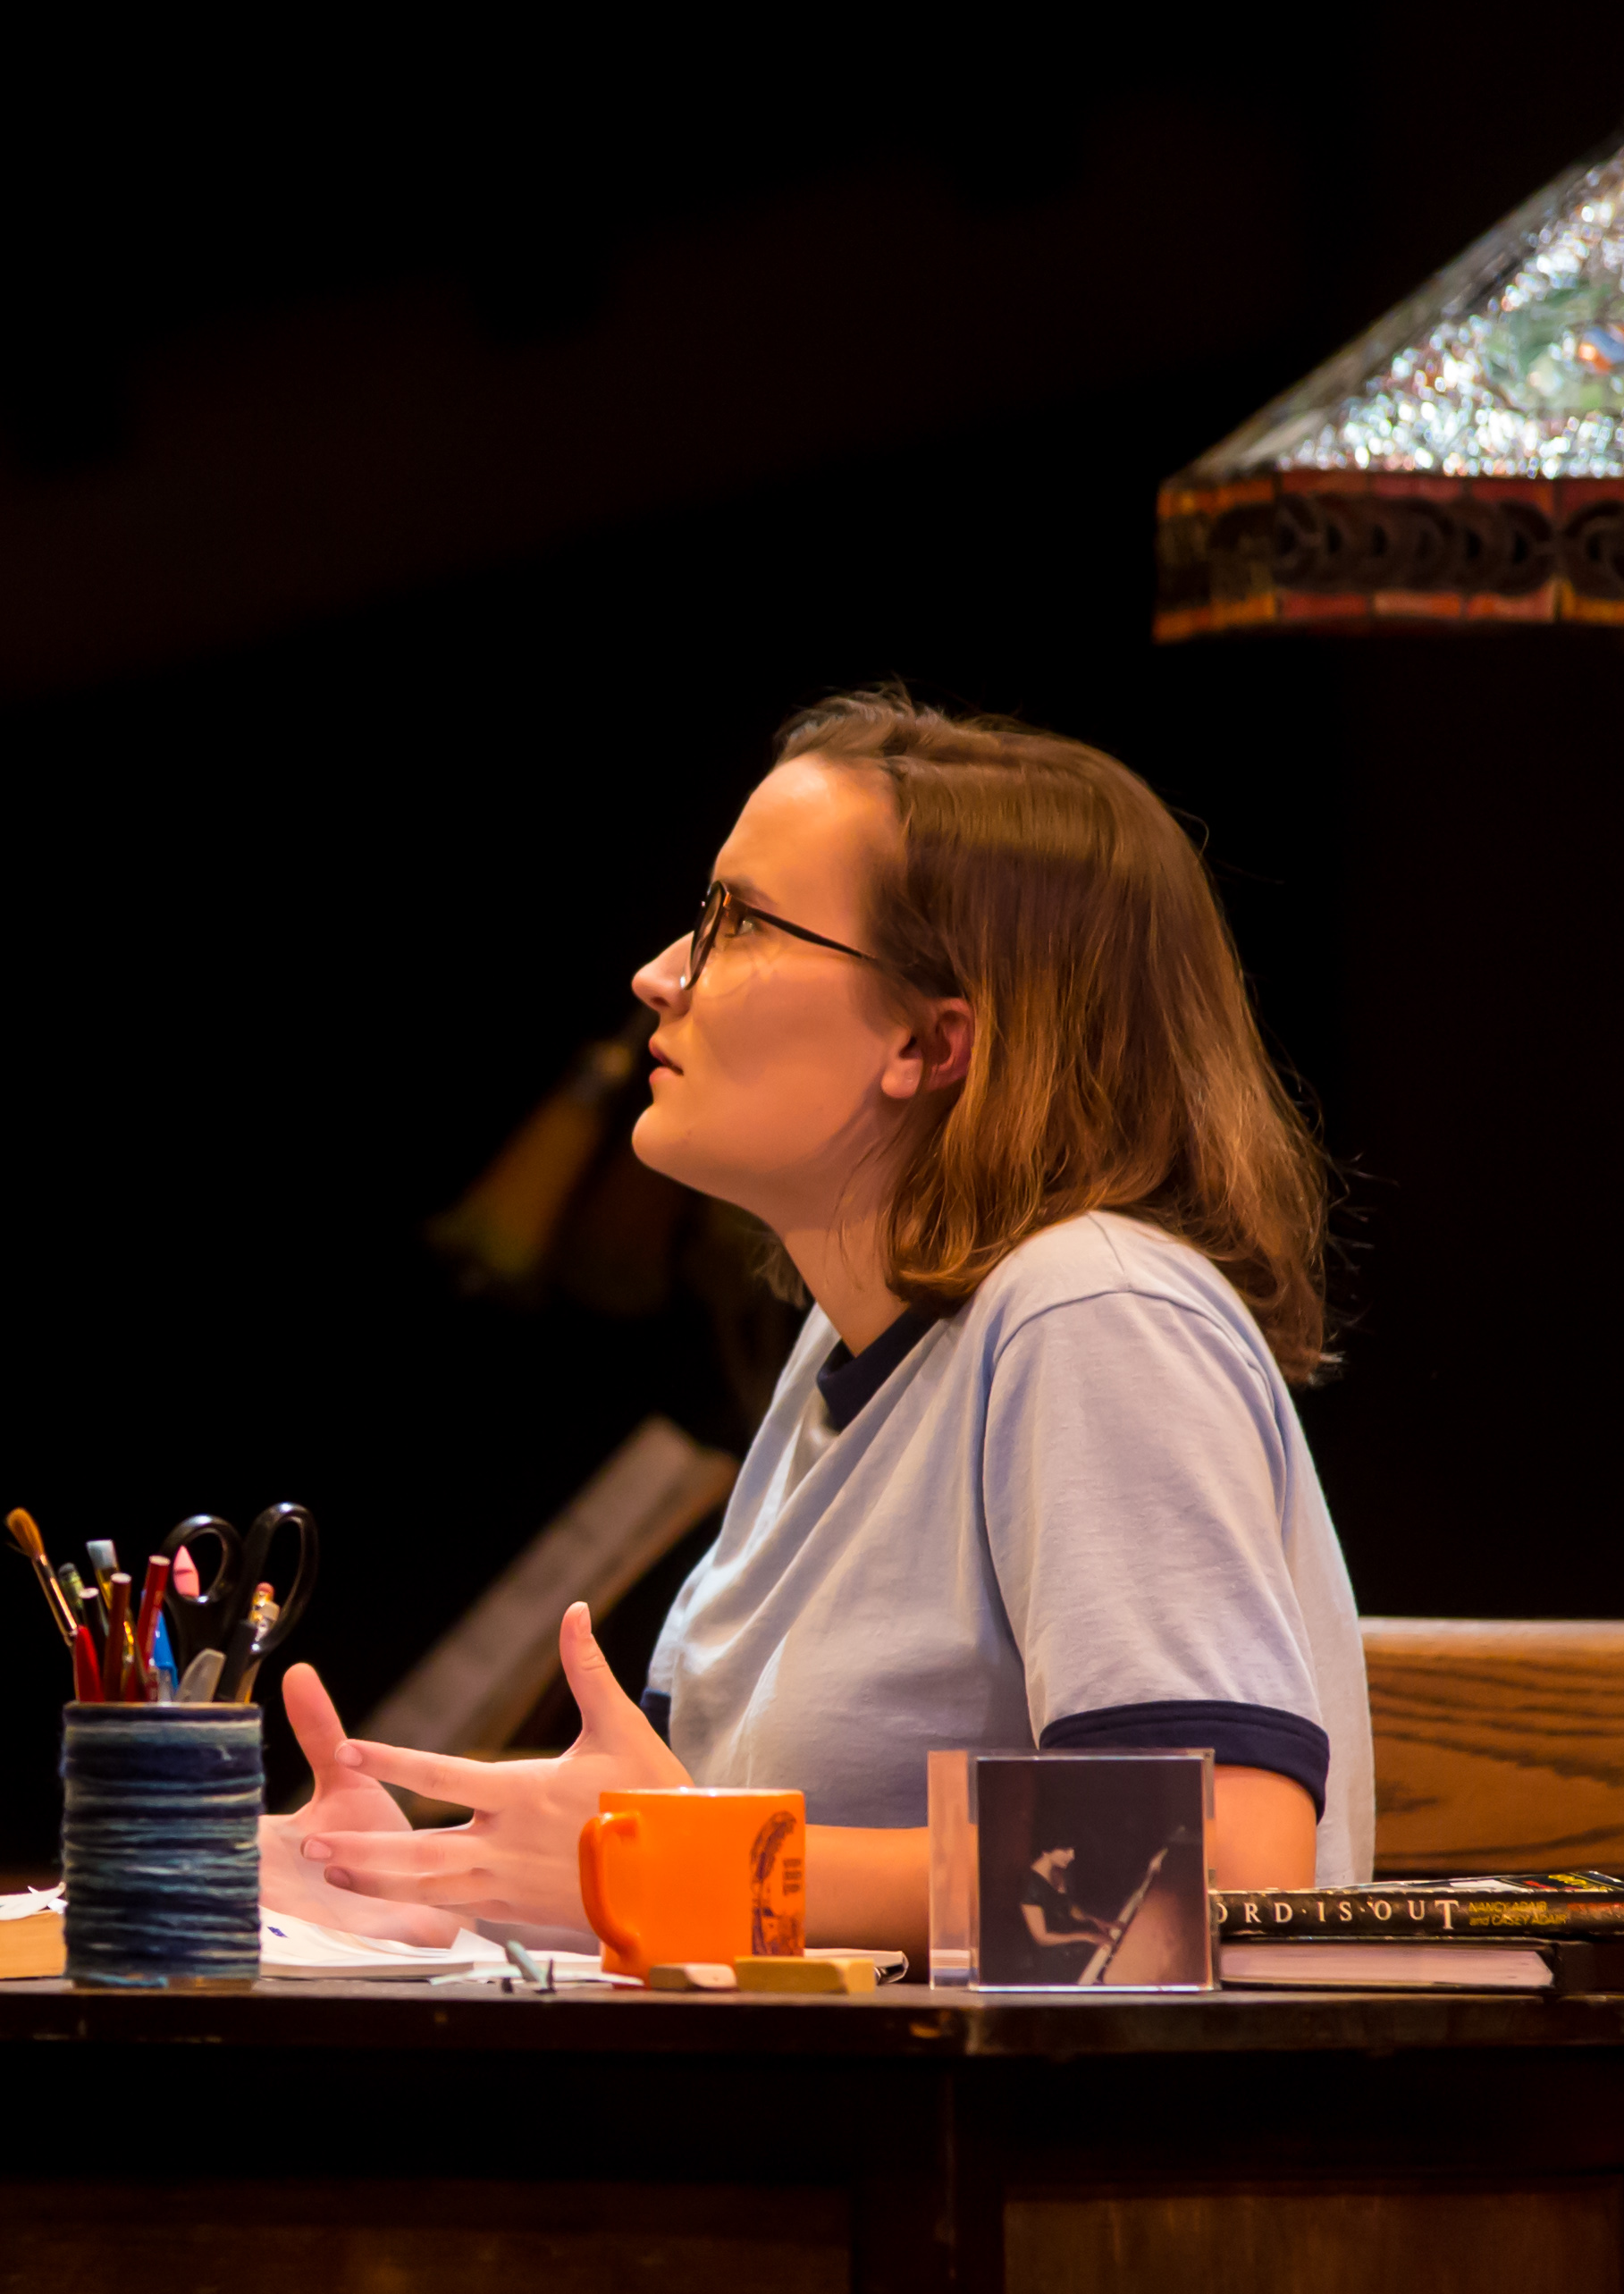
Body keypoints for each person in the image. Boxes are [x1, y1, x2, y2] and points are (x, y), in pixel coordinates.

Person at [275, 689, 1366, 1952]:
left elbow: (1220, 1867)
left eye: (737, 924)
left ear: (929, 1043)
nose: (659, 976)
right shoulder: (840, 1350)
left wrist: (661, 1868)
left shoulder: (1091, 1310)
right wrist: (402, 1886)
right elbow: (707, 1888)